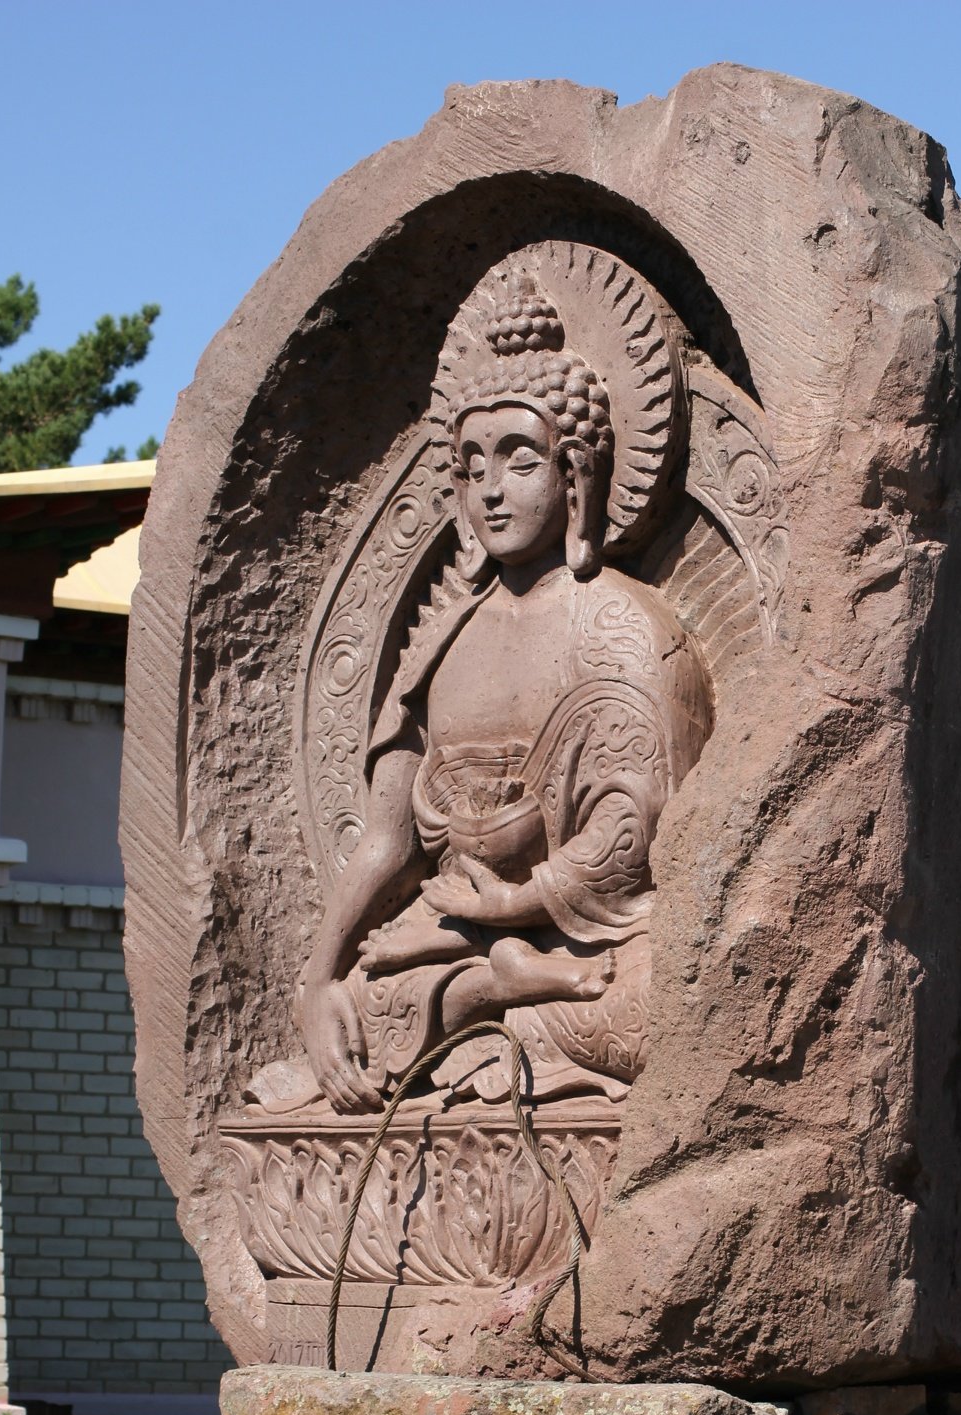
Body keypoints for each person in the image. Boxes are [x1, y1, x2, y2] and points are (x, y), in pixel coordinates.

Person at [288, 284, 711, 1116]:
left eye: (519, 461)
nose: (491, 489)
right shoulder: (442, 642)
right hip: (450, 935)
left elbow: (637, 832)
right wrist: (318, 979)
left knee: (674, 1004)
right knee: (366, 1005)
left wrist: (517, 902)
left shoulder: (623, 628)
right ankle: (493, 992)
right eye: (472, 466)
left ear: (576, 475)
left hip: (597, 935)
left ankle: (497, 1003)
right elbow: (388, 840)